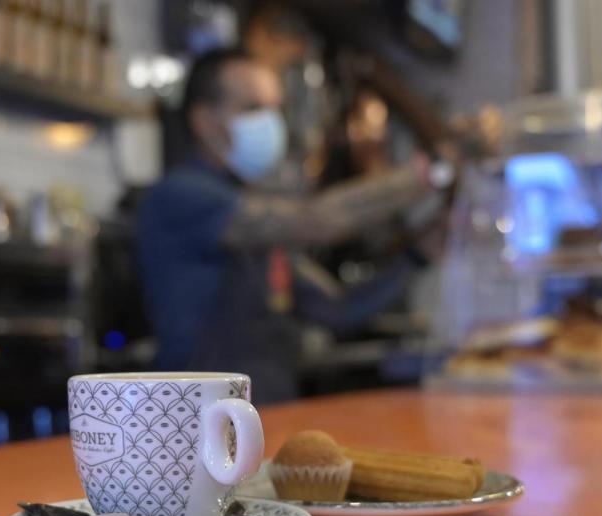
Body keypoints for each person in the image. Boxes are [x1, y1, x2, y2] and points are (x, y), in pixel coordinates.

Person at [136, 48, 440, 404]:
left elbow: (337, 311)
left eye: (275, 109)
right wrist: (430, 172)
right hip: (201, 430)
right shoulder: (181, 197)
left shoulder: (252, 213)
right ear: (204, 121)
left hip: (271, 423)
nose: (270, 124)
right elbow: (315, 220)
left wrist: (417, 255)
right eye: (252, 109)